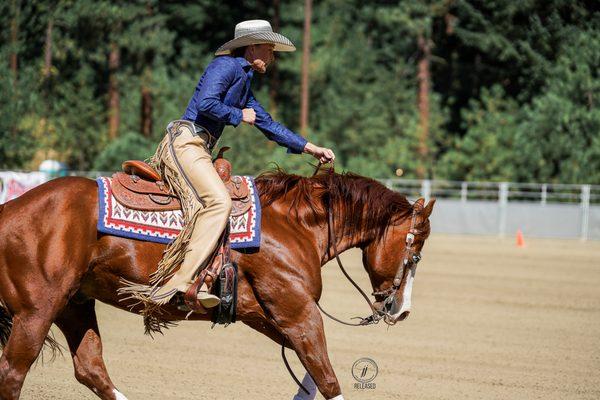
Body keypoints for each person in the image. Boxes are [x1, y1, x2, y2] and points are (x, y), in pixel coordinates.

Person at [143, 20, 335, 310]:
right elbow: (207, 103)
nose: (272, 55)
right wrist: (237, 115)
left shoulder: (243, 81)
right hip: (185, 142)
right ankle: (182, 284)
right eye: (269, 48)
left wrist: (310, 147)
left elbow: (268, 125)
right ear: (253, 46)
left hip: (199, 146)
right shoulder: (226, 67)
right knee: (219, 203)